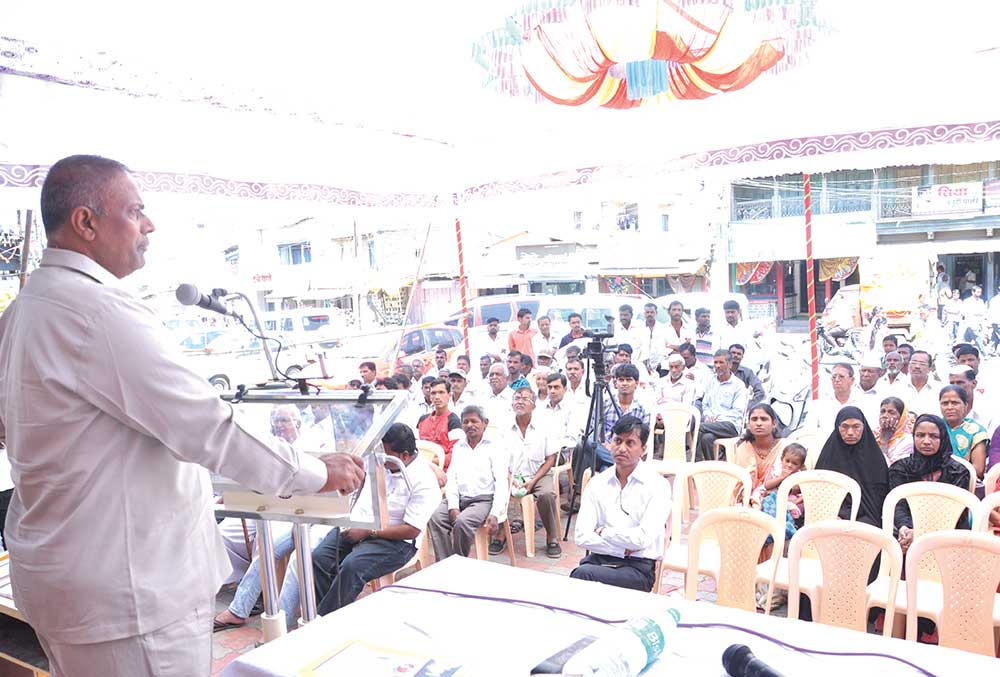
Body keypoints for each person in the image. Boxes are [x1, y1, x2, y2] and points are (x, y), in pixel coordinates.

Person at [0, 155, 365, 675]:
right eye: (135, 211)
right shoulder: (98, 311)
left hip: (68, 578)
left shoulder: (24, 309)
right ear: (85, 223)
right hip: (128, 597)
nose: (149, 225)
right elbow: (206, 425)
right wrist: (313, 472)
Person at [312, 423, 439, 616]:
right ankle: (330, 615)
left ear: (404, 456)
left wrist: (368, 531)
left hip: (396, 541)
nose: (381, 458)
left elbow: (411, 530)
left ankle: (323, 620)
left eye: (386, 454)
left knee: (352, 567)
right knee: (319, 558)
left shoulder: (424, 480)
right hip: (361, 525)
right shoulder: (383, 463)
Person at [570, 416, 671, 592]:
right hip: (600, 559)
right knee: (582, 574)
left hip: (638, 567)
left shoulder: (657, 485)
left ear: (643, 449)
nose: (622, 448)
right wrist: (622, 549)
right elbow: (581, 535)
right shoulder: (597, 483)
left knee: (583, 575)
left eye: (630, 443)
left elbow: (643, 539)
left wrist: (604, 531)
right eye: (617, 441)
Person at [428, 406, 509, 559]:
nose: (469, 425)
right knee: (436, 517)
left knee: (462, 522)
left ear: (485, 423)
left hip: (483, 500)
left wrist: (495, 513)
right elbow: (452, 478)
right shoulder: (459, 446)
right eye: (465, 422)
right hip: (459, 497)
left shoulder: (495, 447)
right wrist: (453, 506)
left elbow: (501, 482)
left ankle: (459, 561)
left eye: (474, 421)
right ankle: (446, 562)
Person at [889, 414, 972, 557]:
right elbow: (899, 506)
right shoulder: (900, 469)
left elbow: (955, 512)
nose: (926, 441)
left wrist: (920, 532)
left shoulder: (958, 472)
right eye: (920, 435)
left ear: (943, 438)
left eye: (933, 436)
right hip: (908, 529)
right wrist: (906, 527)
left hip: (948, 531)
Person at [502, 386, 561, 558]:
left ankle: (552, 536)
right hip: (511, 475)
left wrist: (533, 481)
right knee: (495, 489)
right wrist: (509, 477)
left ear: (534, 405)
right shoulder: (504, 427)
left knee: (547, 494)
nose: (519, 402)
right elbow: (498, 459)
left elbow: (550, 458)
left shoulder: (544, 426)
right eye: (516, 398)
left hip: (538, 473)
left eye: (525, 399)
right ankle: (500, 532)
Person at [815, 406, 889, 527]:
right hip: (831, 515)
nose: (850, 432)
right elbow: (820, 493)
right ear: (837, 427)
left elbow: (877, 499)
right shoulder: (829, 456)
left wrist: (849, 516)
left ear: (864, 427)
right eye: (844, 427)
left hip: (867, 517)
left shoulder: (875, 459)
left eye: (856, 427)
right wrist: (836, 514)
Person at [697, 350, 749, 461]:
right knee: (707, 438)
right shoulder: (711, 382)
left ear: (729, 364)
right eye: (715, 362)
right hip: (711, 425)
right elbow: (705, 404)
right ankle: (711, 467)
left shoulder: (738, 385)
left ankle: (694, 461)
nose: (717, 366)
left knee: (698, 427)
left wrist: (717, 419)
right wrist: (708, 416)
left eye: (721, 362)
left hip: (730, 425)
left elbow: (737, 411)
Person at [734, 403, 785, 506]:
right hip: (746, 498)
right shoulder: (744, 447)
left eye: (764, 419)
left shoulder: (784, 447)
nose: (758, 423)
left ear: (774, 423)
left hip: (778, 498)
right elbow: (739, 481)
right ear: (749, 425)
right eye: (754, 419)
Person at [938, 385, 988, 484]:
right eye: (945, 403)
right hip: (933, 480)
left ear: (965, 405)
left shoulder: (976, 431)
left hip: (963, 482)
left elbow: (978, 470)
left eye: (955, 403)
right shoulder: (934, 427)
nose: (949, 407)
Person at [416, 379, 462, 470]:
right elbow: (414, 447)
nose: (437, 397)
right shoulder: (422, 420)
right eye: (433, 393)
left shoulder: (453, 421)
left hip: (444, 470)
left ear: (449, 395)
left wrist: (431, 461)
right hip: (421, 468)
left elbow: (456, 454)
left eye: (441, 392)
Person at [814, 363, 860, 438]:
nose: (837, 380)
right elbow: (810, 427)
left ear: (852, 380)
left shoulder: (862, 402)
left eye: (841, 376)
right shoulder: (820, 403)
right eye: (834, 377)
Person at [874, 396, 914, 466]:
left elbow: (893, 468)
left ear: (901, 417)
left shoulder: (907, 441)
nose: (885, 415)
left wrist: (884, 443)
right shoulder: (873, 435)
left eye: (891, 412)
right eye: (883, 411)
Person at [900, 350, 940, 416]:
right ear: (909, 366)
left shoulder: (939, 389)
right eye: (913, 363)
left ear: (930, 369)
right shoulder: (898, 387)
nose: (917, 366)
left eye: (922, 364)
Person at [729, 343, 765, 408]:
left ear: (742, 357)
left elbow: (760, 392)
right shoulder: (720, 370)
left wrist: (747, 406)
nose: (736, 355)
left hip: (737, 410)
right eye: (733, 353)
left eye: (739, 354)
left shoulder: (748, 372)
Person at [855, 354, 884, 428]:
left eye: (870, 371)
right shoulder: (851, 389)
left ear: (880, 373)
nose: (865, 374)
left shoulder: (885, 393)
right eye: (863, 371)